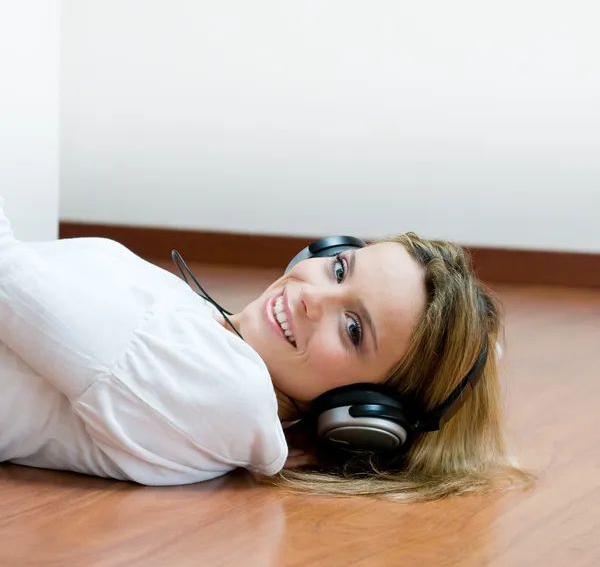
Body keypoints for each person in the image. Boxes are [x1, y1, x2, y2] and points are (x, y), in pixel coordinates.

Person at [0, 196, 532, 500]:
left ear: (361, 413)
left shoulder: (225, 392)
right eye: (340, 267)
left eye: (353, 329)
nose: (312, 296)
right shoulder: (207, 329)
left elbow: (9, 276)